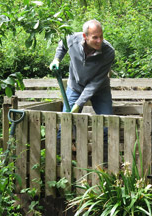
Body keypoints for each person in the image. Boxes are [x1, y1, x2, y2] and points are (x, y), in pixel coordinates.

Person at [50, 19, 115, 161]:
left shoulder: (108, 52)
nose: (99, 41)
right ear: (85, 37)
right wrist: (56, 59)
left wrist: (79, 104)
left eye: (101, 36)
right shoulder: (72, 38)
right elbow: (62, 45)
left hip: (99, 89)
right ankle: (62, 160)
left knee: (107, 122)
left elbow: (95, 83)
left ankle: (104, 161)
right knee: (66, 119)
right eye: (95, 37)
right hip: (75, 86)